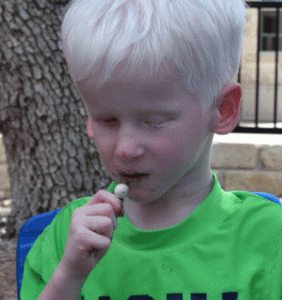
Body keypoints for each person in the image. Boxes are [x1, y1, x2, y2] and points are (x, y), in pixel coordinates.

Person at [20, 0, 282, 299]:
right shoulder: (65, 240)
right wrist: (69, 275)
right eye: (107, 119)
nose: (126, 149)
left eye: (154, 121)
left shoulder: (268, 239)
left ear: (222, 109)